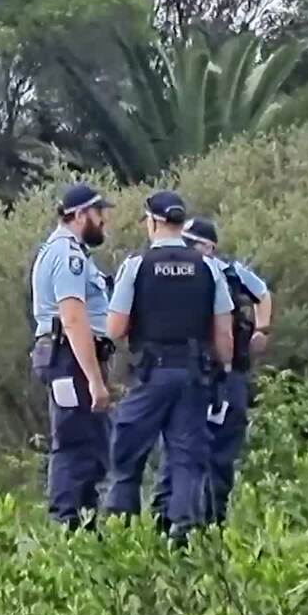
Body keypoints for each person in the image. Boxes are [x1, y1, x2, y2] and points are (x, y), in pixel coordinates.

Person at [104, 191, 234, 541]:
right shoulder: (208, 267)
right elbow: (224, 335)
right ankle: (183, 533)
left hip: (151, 373)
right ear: (181, 223)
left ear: (153, 221)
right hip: (193, 374)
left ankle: (121, 530)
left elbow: (114, 329)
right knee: (187, 458)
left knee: (127, 450)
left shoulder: (136, 266)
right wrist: (222, 373)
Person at [152, 217, 272, 527]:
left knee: (211, 450)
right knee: (182, 448)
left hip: (219, 374)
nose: (188, 248)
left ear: (210, 247)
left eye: (194, 243)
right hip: (195, 372)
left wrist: (262, 330)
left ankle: (201, 522)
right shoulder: (185, 275)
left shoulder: (228, 272)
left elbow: (262, 293)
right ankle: (174, 521)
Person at [30, 182, 115, 529]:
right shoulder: (68, 257)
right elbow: (73, 318)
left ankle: (83, 523)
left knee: (89, 445)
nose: (103, 221)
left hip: (71, 358)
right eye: (99, 214)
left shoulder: (67, 252)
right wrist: (95, 380)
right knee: (75, 445)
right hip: (72, 359)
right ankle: (68, 526)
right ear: (80, 214)